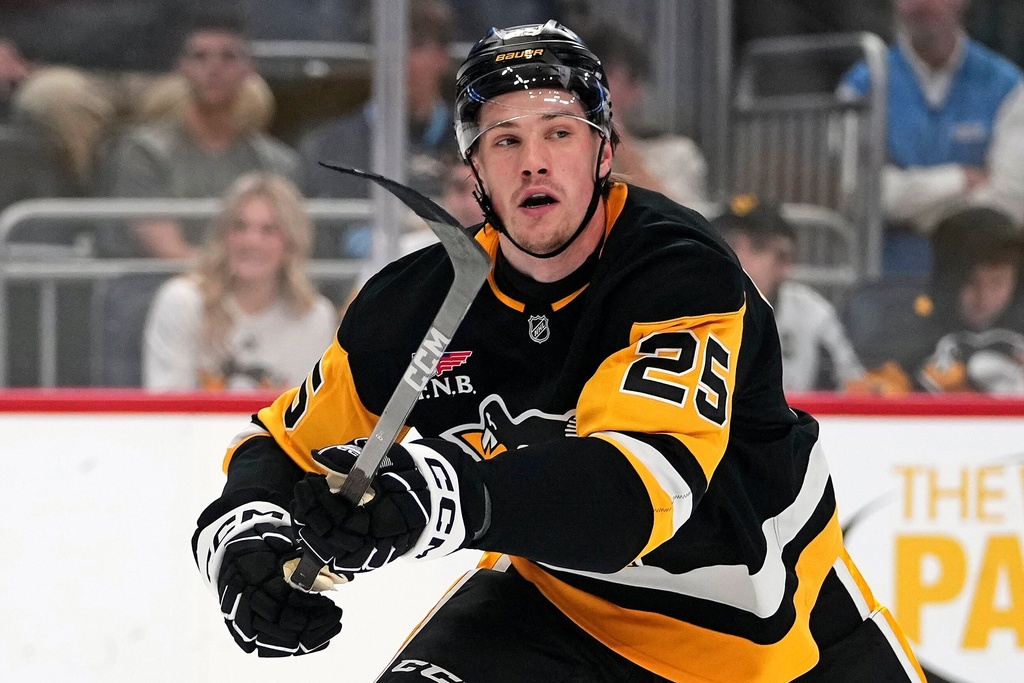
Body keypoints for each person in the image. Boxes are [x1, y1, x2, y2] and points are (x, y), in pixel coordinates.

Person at [191, 21, 924, 681]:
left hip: (779, 628)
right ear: (473, 169)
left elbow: (639, 491)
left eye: (559, 133)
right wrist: (243, 545)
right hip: (561, 610)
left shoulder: (677, 268)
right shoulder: (411, 304)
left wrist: (442, 497)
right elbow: (281, 444)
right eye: (504, 138)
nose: (532, 161)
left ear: (605, 149)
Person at [840, 0, 1024, 274]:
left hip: (976, 288)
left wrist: (905, 203)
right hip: (882, 284)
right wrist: (959, 180)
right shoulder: (862, 85)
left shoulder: (1009, 87)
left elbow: (1011, 201)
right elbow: (856, 193)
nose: (919, 4)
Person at [102, 6, 299, 259]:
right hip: (156, 287)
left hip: (252, 287)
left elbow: (287, 248)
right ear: (180, 67)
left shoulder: (278, 163)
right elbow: (169, 252)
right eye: (200, 56)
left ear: (249, 68)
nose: (214, 68)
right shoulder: (142, 153)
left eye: (228, 57)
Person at [143, 172, 337, 391]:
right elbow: (166, 408)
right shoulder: (181, 302)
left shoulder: (315, 317)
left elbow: (309, 415)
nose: (252, 241)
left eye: (269, 230)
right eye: (240, 227)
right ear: (223, 236)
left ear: (291, 243)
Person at [297, 0, 459, 259]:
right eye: (388, 47)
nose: (399, 60)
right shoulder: (328, 148)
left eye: (414, 47)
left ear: (443, 58)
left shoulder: (474, 140)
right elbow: (325, 244)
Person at [854, 206, 1024, 394]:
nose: (985, 298)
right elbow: (871, 404)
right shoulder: (902, 332)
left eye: (998, 282)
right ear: (947, 280)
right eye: (971, 282)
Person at [713, 194, 866, 392]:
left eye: (757, 248)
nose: (738, 257)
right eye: (728, 244)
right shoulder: (682, 311)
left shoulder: (813, 317)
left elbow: (853, 392)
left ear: (785, 263)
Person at [582, 23, 709, 207]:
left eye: (605, 74)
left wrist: (614, 139)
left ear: (635, 90)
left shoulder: (673, 154)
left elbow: (682, 223)